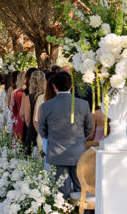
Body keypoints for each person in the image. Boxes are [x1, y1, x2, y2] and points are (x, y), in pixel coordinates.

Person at [38, 70, 94, 198]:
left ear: (54, 86)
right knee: (81, 189)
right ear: (71, 86)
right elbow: (89, 128)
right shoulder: (83, 104)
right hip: (78, 152)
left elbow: (42, 130)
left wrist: (52, 138)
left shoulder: (47, 106)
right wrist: (79, 138)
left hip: (57, 151)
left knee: (61, 192)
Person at [21, 70, 46, 157]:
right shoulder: (47, 96)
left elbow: (26, 117)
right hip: (45, 127)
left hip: (33, 127)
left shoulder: (29, 97)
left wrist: (31, 128)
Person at [10, 71, 27, 144]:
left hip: (18, 117)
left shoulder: (16, 92)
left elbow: (13, 108)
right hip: (24, 117)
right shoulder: (24, 93)